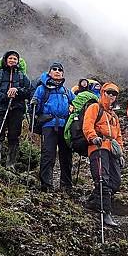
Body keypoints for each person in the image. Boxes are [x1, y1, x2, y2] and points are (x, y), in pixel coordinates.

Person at [82, 82, 124, 227]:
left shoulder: (114, 116)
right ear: (103, 92)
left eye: (114, 94)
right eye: (109, 92)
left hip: (111, 149)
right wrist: (93, 137)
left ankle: (93, 202)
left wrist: (121, 153)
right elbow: (87, 124)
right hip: (98, 147)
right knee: (102, 179)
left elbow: (118, 136)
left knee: (115, 181)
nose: (111, 96)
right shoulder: (95, 107)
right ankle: (105, 212)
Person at [30, 61, 75, 192]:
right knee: (48, 154)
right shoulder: (41, 89)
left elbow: (76, 103)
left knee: (66, 156)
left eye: (60, 70)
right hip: (49, 125)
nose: (57, 71)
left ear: (62, 74)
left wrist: (75, 107)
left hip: (65, 126)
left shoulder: (67, 91)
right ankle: (46, 184)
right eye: (54, 69)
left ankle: (66, 185)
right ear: (49, 72)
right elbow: (34, 107)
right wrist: (34, 104)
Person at [0, 50, 33, 169]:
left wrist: (17, 91)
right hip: (0, 108)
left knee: (14, 135)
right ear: (5, 60)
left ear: (18, 62)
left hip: (16, 109)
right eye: (10, 58)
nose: (12, 60)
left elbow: (29, 91)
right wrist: (4, 97)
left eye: (15, 59)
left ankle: (11, 164)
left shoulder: (22, 76)